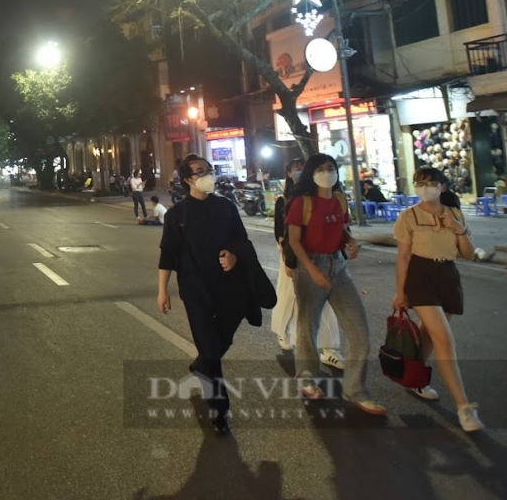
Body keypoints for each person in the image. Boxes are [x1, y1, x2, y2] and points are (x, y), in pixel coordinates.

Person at [157, 154, 268, 435]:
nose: (206, 175)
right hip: (196, 291)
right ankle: (219, 411)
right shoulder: (177, 215)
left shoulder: (226, 207)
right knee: (211, 349)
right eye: (198, 172)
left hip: (230, 287)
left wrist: (234, 255)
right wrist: (162, 291)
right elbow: (168, 255)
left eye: (208, 170)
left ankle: (201, 362)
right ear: (187, 180)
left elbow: (241, 240)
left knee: (220, 341)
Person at [285, 154, 384, 415]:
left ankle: (355, 390)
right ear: (311, 173)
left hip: (338, 267)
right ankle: (306, 380)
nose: (327, 173)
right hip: (310, 267)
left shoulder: (340, 199)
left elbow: (341, 228)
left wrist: (350, 240)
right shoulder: (301, 202)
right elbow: (294, 241)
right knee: (308, 329)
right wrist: (311, 271)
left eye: (331, 168)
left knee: (359, 330)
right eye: (321, 169)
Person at [393, 166, 484, 432]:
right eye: (420, 183)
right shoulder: (408, 216)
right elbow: (404, 257)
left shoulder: (455, 213)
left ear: (442, 187)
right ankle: (464, 407)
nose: (425, 187)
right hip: (421, 277)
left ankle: (414, 376)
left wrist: (458, 229)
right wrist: (400, 292)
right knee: (444, 339)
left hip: (448, 276)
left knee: (430, 334)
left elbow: (467, 254)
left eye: (431, 182)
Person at [271, 158, 345, 369]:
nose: (300, 172)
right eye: (296, 169)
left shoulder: (320, 198)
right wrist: (288, 260)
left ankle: (329, 349)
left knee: (326, 303)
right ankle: (283, 331)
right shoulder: (285, 200)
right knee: (290, 299)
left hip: (322, 259)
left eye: (303, 169)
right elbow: (281, 234)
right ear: (288, 173)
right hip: (293, 256)